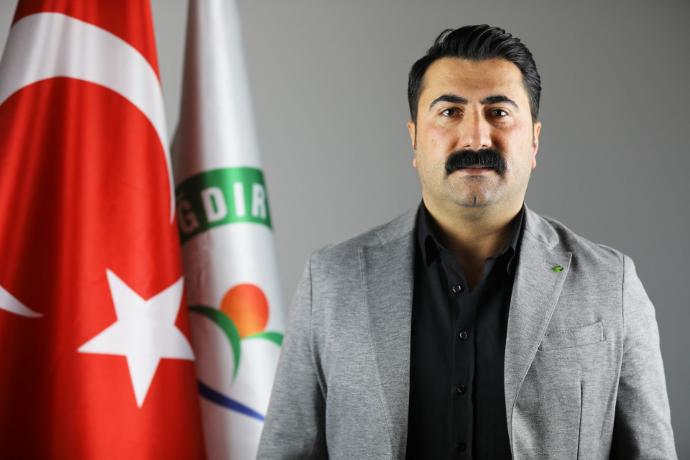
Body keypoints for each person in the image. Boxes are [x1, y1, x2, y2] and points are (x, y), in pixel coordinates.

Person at [257, 25, 677, 459]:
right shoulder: (331, 281)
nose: (476, 138)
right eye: (450, 112)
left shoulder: (610, 284)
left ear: (534, 139)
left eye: (498, 112)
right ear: (414, 138)